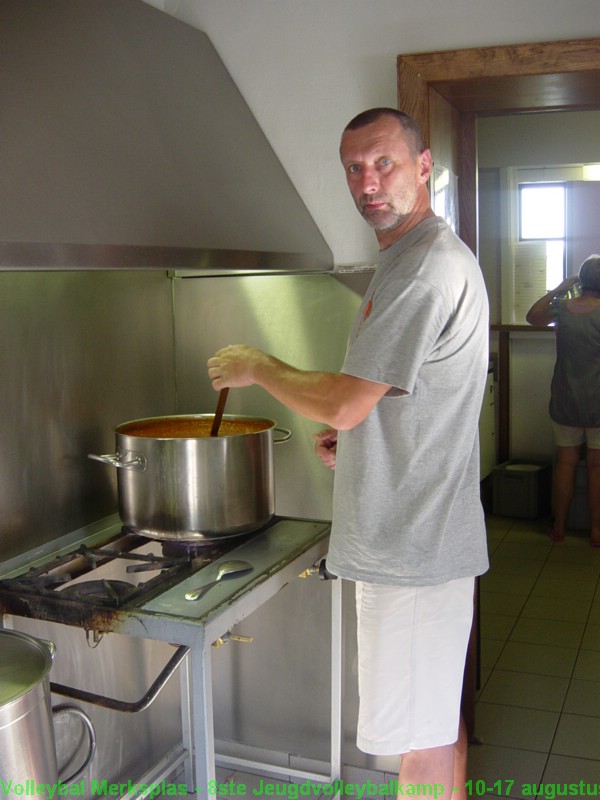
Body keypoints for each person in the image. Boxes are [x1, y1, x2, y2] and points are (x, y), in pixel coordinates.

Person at [207, 108, 489, 796]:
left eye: (384, 163)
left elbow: (344, 401)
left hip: (411, 553)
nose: (368, 181)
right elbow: (391, 401)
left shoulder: (422, 269)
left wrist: (256, 364)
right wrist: (364, 446)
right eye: (354, 169)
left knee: (417, 750)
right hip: (420, 542)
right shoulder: (413, 258)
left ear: (423, 167)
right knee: (434, 724)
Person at [526, 255, 600, 546]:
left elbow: (533, 316)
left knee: (565, 464)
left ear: (581, 281)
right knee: (597, 468)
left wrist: (560, 287)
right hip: (598, 403)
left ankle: (559, 527)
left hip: (565, 399)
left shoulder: (562, 309)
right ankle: (596, 531)